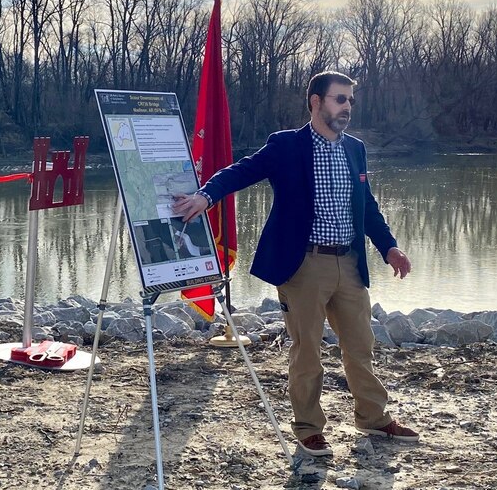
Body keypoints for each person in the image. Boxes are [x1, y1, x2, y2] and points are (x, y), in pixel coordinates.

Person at [172, 71, 417, 457]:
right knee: (307, 350)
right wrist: (207, 196)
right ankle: (308, 427)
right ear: (316, 102)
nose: (347, 107)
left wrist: (389, 247)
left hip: (350, 264)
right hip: (304, 265)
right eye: (340, 99)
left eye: (351, 100)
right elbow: (241, 171)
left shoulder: (355, 149)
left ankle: (372, 418)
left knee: (360, 345)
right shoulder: (286, 146)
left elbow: (366, 205)